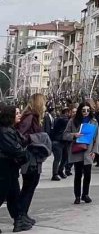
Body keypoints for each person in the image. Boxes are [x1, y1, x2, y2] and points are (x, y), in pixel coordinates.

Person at [16, 93, 49, 226]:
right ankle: (21, 216)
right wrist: (36, 138)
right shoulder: (30, 117)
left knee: (30, 186)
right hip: (30, 157)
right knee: (29, 186)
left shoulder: (32, 117)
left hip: (33, 156)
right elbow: (21, 136)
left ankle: (23, 214)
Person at [0, 105, 30, 232]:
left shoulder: (10, 129)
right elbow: (16, 149)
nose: (19, 115)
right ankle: (18, 221)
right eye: (16, 113)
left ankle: (18, 221)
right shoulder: (5, 131)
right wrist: (25, 152)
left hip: (10, 168)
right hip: (4, 168)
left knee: (14, 195)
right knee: (2, 195)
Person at [63, 103, 99, 205]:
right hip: (77, 150)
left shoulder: (94, 121)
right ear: (80, 111)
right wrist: (74, 135)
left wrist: (94, 151)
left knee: (87, 174)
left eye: (88, 110)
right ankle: (77, 196)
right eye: (83, 110)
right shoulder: (72, 121)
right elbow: (65, 135)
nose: (86, 112)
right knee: (78, 174)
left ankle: (85, 194)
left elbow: (97, 138)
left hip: (88, 151)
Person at [49, 106, 70, 181]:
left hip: (62, 141)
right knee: (58, 158)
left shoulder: (61, 119)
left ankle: (60, 171)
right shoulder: (62, 119)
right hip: (58, 141)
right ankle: (55, 174)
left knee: (65, 157)